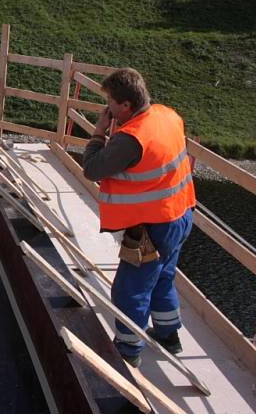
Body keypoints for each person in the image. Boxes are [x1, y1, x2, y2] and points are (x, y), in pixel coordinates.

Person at [82, 67, 196, 368]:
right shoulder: (166, 116)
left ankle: (128, 351)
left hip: (153, 224)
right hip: (181, 213)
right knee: (163, 276)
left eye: (110, 103)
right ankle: (169, 335)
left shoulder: (131, 139)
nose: (108, 108)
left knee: (130, 288)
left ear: (126, 105)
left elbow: (92, 168)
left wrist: (98, 132)